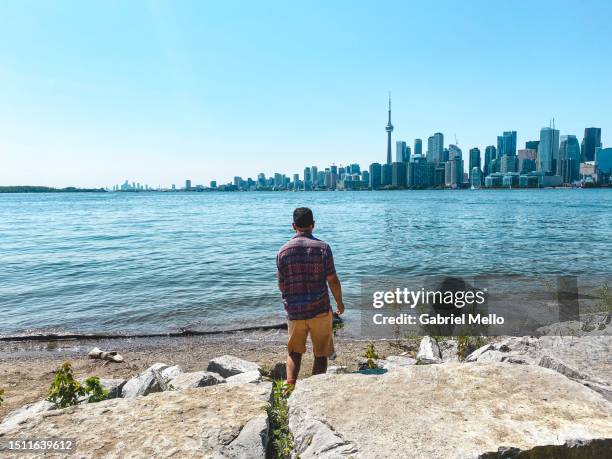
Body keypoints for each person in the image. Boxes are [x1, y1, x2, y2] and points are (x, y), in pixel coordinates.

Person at [276, 207, 345, 387]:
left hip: (295, 312)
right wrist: (339, 302)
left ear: (293, 226)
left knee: (294, 353)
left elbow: (282, 285)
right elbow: (333, 280)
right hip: (319, 310)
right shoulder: (323, 248)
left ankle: (290, 387)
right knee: (321, 353)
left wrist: (290, 304)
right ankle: (314, 389)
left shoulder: (282, 252)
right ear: (313, 225)